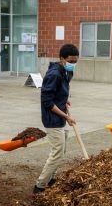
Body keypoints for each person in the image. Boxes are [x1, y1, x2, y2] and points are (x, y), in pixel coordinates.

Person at [33, 43, 79, 194]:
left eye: (75, 61)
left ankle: (51, 178)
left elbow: (57, 93)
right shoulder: (54, 74)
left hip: (59, 115)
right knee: (58, 151)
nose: (73, 64)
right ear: (62, 58)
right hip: (52, 119)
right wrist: (66, 116)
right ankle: (39, 186)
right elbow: (47, 102)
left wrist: (63, 100)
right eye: (71, 61)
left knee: (62, 149)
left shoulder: (66, 71)